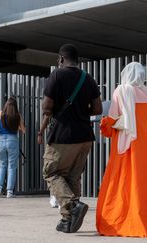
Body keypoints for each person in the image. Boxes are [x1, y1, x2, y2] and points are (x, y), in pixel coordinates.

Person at [96, 62, 147, 237]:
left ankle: (123, 218)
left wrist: (105, 127)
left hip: (126, 143)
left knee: (124, 180)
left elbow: (112, 118)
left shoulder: (121, 90)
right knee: (146, 182)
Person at [38, 44, 102, 233]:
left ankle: (73, 206)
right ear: (77, 60)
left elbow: (46, 107)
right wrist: (82, 113)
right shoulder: (88, 78)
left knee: (51, 173)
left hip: (63, 135)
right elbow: (97, 109)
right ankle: (68, 220)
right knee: (73, 176)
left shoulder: (57, 75)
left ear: (61, 59)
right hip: (85, 136)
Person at [0, 97, 25, 198]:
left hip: (1, 140)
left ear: (6, 105)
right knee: (12, 166)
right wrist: (17, 127)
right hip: (12, 140)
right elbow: (23, 130)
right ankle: (9, 192)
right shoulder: (17, 115)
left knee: (3, 164)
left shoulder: (0, 114)